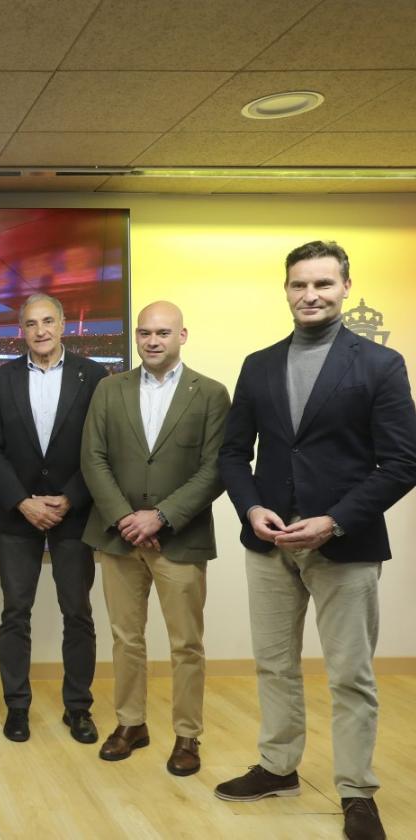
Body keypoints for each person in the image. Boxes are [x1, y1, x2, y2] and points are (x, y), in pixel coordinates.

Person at [215, 241, 416, 840]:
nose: (311, 295)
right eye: (300, 285)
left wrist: (334, 520)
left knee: (351, 674)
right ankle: (278, 767)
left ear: (346, 288)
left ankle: (357, 792)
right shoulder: (258, 364)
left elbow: (403, 462)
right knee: (274, 666)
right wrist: (251, 509)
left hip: (343, 546)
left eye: (323, 285)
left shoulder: (380, 365)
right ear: (286, 290)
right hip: (269, 544)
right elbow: (232, 454)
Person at [81, 302, 230, 775]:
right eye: (144, 332)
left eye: (162, 332)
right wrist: (127, 517)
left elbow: (215, 469)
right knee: (126, 638)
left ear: (182, 335)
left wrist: (161, 517)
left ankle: (188, 736)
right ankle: (131, 724)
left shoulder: (210, 393)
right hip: (119, 537)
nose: (151, 340)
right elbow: (93, 458)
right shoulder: (109, 390)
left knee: (186, 643)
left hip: (179, 539)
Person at [0, 293, 107, 744]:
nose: (40, 330)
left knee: (78, 614)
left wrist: (69, 499)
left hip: (74, 516)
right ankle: (18, 706)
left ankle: (78, 708)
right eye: (31, 323)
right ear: (22, 329)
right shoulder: (2, 377)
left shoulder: (92, 376)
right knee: (15, 613)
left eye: (48, 321)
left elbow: (99, 448)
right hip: (19, 518)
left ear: (63, 324)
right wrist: (22, 502)